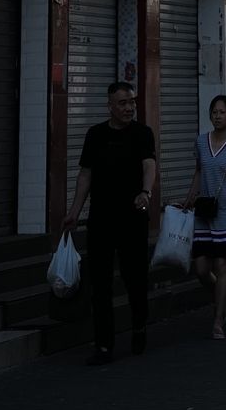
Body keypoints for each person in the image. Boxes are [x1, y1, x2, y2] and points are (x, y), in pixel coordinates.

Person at [64, 78, 157, 365]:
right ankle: (104, 345)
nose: (129, 108)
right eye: (123, 103)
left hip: (133, 218)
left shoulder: (142, 133)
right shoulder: (95, 135)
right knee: (100, 283)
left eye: (132, 102)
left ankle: (139, 326)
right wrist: (74, 211)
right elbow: (85, 175)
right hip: (101, 219)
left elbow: (149, 164)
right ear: (110, 106)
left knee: (135, 278)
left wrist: (146, 192)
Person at [182, 92, 226, 340]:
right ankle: (221, 295)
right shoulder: (201, 142)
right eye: (214, 112)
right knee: (202, 268)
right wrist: (189, 198)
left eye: (222, 112)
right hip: (205, 210)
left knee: (222, 265)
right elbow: (198, 172)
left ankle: (218, 320)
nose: (218, 116)